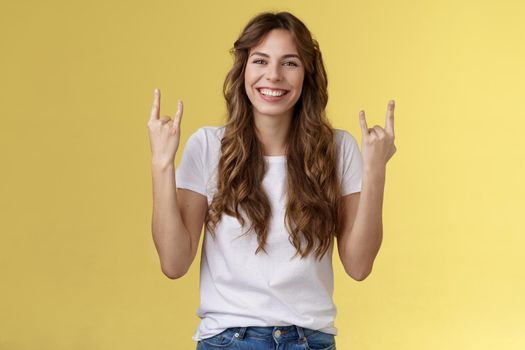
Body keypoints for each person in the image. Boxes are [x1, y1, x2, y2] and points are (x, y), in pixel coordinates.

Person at [147, 11, 396, 350]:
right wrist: (162, 164)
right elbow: (174, 264)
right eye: (261, 61)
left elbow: (359, 265)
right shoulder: (207, 146)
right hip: (229, 339)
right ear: (243, 70)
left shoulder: (338, 149)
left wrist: (375, 172)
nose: (273, 75)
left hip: (311, 341)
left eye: (290, 63)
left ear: (307, 73)